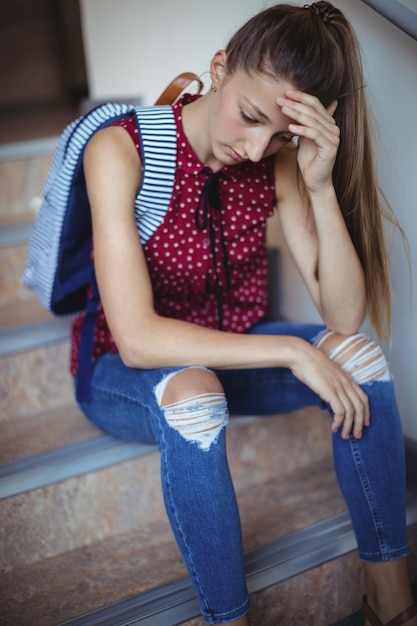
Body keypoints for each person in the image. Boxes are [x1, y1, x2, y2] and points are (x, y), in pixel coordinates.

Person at [71, 2, 416, 624]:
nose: (258, 149)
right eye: (251, 117)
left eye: (283, 135)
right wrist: (291, 350)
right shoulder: (118, 150)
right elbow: (139, 342)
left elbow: (344, 313)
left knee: (360, 359)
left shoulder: (280, 164)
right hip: (123, 375)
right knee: (197, 395)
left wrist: (316, 183)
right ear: (220, 67)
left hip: (234, 346)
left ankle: (391, 602)